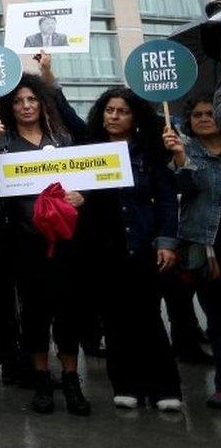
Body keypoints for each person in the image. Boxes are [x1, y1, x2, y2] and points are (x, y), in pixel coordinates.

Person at [0, 73, 91, 416]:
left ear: (42, 103)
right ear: (8, 106)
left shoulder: (62, 138)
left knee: (69, 310)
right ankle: (42, 379)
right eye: (18, 101)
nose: (26, 106)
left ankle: (72, 380)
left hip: (65, 241)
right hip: (22, 243)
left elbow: (87, 175)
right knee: (34, 313)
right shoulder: (1, 142)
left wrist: (81, 195)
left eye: (32, 99)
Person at [79, 87, 181, 412]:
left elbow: (167, 199)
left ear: (134, 116)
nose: (114, 116)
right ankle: (126, 386)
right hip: (104, 250)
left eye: (122, 111)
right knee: (115, 321)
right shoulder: (88, 151)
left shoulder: (150, 152)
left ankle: (165, 388)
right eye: (109, 110)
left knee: (148, 318)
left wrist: (166, 240)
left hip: (143, 246)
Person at [163, 93, 221, 408]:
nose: (203, 118)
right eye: (197, 115)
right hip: (204, 247)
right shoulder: (186, 151)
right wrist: (181, 159)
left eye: (209, 112)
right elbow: (185, 188)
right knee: (216, 318)